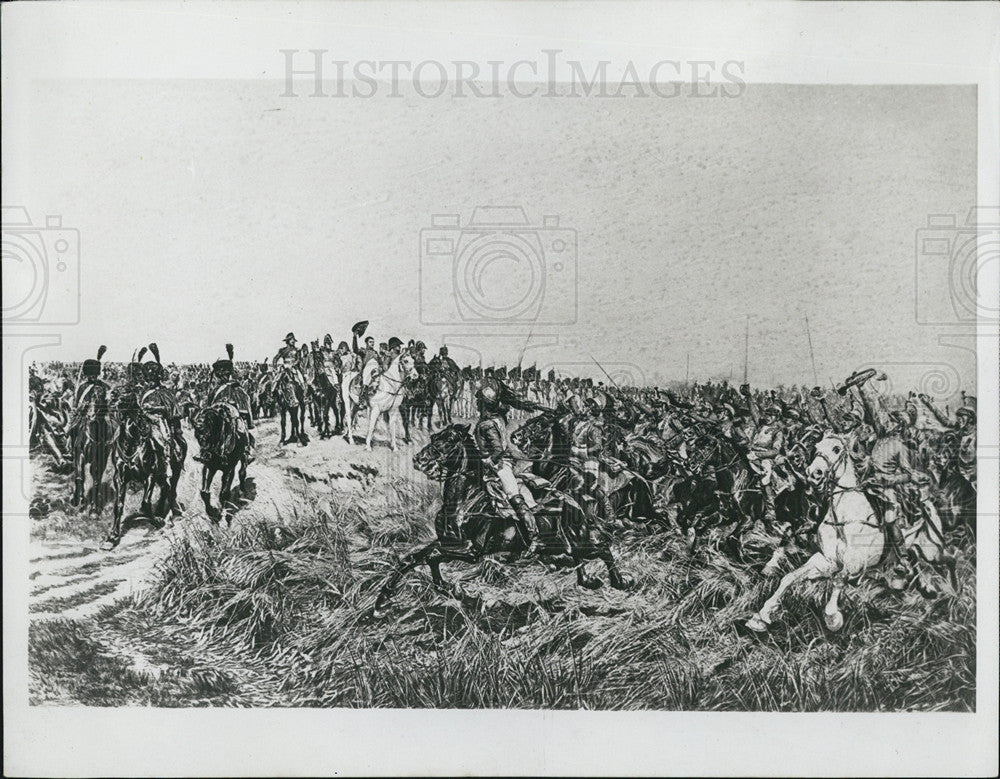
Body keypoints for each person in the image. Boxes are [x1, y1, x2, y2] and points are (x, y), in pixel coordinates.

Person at [474, 377, 544, 557]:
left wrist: (487, 460)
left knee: (513, 495)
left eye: (478, 400)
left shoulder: (488, 424)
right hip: (494, 464)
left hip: (500, 465)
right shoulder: (497, 418)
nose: (475, 402)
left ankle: (534, 535)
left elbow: (498, 449)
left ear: (484, 403)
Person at [198, 344, 256, 464]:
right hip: (217, 417)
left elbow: (245, 405)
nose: (223, 376)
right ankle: (204, 451)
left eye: (225, 374)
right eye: (220, 374)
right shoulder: (215, 390)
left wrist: (236, 408)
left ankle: (246, 450)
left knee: (241, 428)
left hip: (234, 417)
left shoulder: (237, 389)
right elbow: (208, 405)